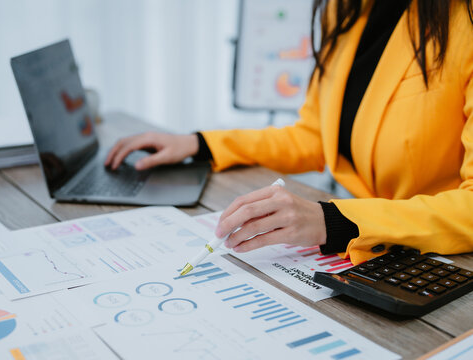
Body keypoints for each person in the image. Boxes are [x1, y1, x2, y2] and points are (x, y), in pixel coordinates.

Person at [105, 0, 473, 265]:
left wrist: (333, 221)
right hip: (372, 257)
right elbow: (315, 137)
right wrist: (201, 144)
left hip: (444, 258)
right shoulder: (344, 10)